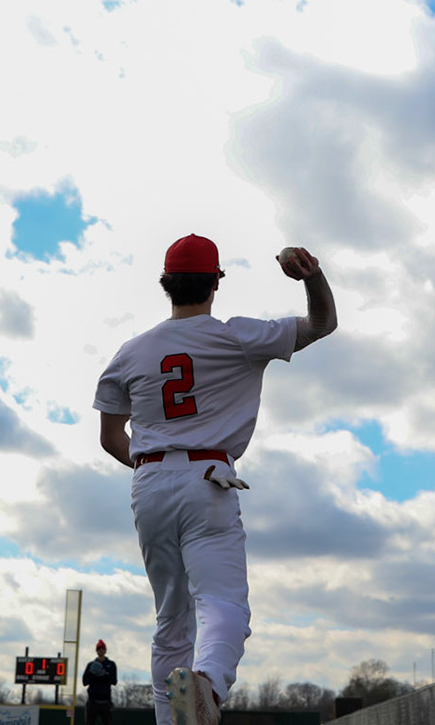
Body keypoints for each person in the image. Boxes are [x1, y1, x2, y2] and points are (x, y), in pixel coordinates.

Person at [93, 235, 337, 725]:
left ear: (166, 284)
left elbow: (109, 436)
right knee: (223, 604)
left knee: (171, 619)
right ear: (215, 282)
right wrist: (312, 277)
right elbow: (322, 324)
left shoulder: (131, 352)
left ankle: (171, 718)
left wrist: (155, 470)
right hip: (208, 476)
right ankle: (207, 682)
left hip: (148, 481)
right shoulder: (236, 337)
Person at [82, 639, 117, 725]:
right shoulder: (91, 665)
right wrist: (93, 675)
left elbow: (114, 681)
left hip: (105, 701)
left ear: (105, 650)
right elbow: (85, 682)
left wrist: (104, 674)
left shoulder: (111, 664)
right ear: (97, 651)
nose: (101, 651)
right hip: (93, 701)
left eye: (102, 649)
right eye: (99, 649)